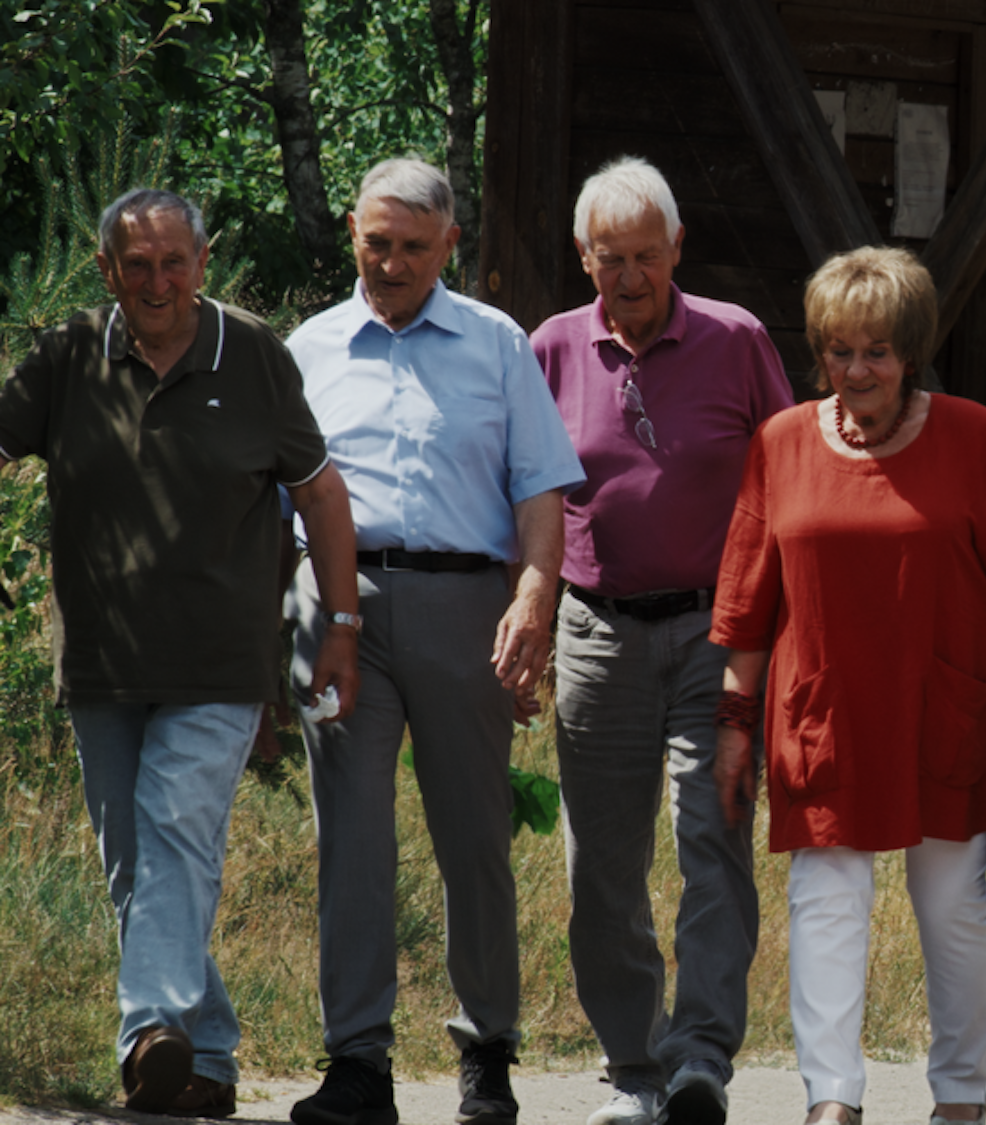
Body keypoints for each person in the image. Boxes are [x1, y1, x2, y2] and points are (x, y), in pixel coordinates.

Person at [0, 188, 360, 1117]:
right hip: (104, 663)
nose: (157, 281)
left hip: (218, 662)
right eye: (136, 265)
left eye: (174, 262)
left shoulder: (255, 356)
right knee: (139, 865)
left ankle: (150, 1028)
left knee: (173, 830)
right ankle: (209, 1059)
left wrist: (342, 628)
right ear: (106, 270)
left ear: (202, 263)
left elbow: (321, 497)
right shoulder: (71, 354)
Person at [709, 246, 986, 1125]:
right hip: (826, 711)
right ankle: (831, 1098)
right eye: (840, 350)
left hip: (946, 704)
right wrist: (733, 721)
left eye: (877, 350)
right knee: (825, 903)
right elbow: (745, 602)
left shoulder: (973, 435)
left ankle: (961, 1097)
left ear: (911, 352)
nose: (857, 369)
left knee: (952, 905)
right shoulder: (782, 441)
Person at [284, 158, 585, 1125]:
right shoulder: (310, 348)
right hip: (338, 607)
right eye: (379, 242)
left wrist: (534, 598)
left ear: (451, 245)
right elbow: (270, 497)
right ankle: (358, 1063)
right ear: (351, 230)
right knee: (354, 840)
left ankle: (486, 1048)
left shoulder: (497, 344)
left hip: (466, 606)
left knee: (474, 836)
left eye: (416, 246)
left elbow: (541, 484)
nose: (395, 262)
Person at [530, 155, 793, 1125]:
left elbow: (789, 482)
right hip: (594, 631)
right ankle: (633, 1065)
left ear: (677, 249)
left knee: (709, 837)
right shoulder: (549, 348)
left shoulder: (736, 339)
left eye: (646, 255)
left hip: (715, 633)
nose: (630, 276)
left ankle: (698, 1060)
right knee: (598, 863)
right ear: (582, 256)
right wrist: (525, 613)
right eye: (610, 259)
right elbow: (528, 497)